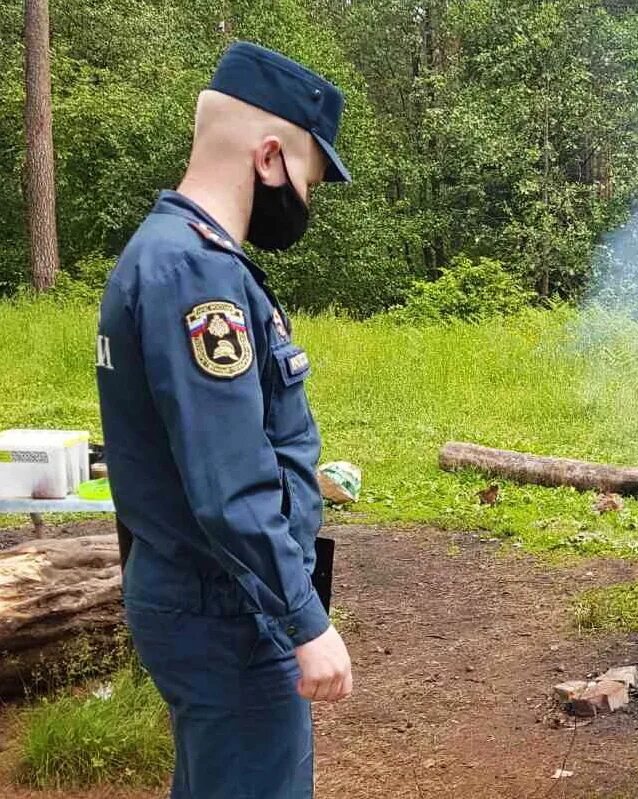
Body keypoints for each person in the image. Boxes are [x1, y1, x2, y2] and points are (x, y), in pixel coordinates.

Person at [96, 42, 353, 798]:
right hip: (227, 610)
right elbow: (230, 481)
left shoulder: (167, 254)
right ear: (269, 157)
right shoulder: (195, 271)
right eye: (309, 180)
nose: (305, 202)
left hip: (201, 595)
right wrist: (304, 620)